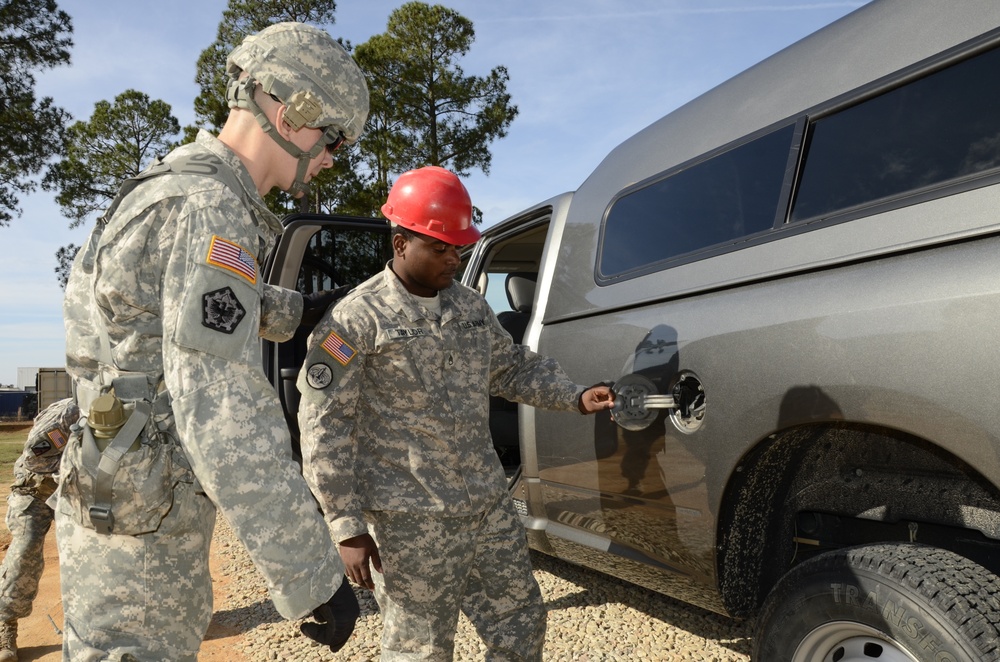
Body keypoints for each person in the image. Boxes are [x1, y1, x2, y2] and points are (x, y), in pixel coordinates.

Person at [56, 22, 368, 660]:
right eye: (335, 137)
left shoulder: (170, 187)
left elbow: (164, 318)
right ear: (291, 110)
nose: (336, 156)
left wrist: (302, 310)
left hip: (116, 482)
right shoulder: (211, 209)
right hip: (144, 525)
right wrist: (310, 576)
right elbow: (222, 413)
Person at [296, 165, 616, 660]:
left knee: (521, 623)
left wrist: (574, 395)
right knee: (420, 648)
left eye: (458, 247)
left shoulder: (470, 307)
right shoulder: (356, 319)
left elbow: (510, 369)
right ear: (401, 243)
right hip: (410, 519)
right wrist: (346, 525)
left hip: (486, 504)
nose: (453, 257)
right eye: (439, 247)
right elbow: (323, 426)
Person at [0, 399, 79, 662]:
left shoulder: (135, 408)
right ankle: (5, 625)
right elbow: (35, 459)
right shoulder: (71, 413)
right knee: (25, 550)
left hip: (82, 495)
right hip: (37, 491)